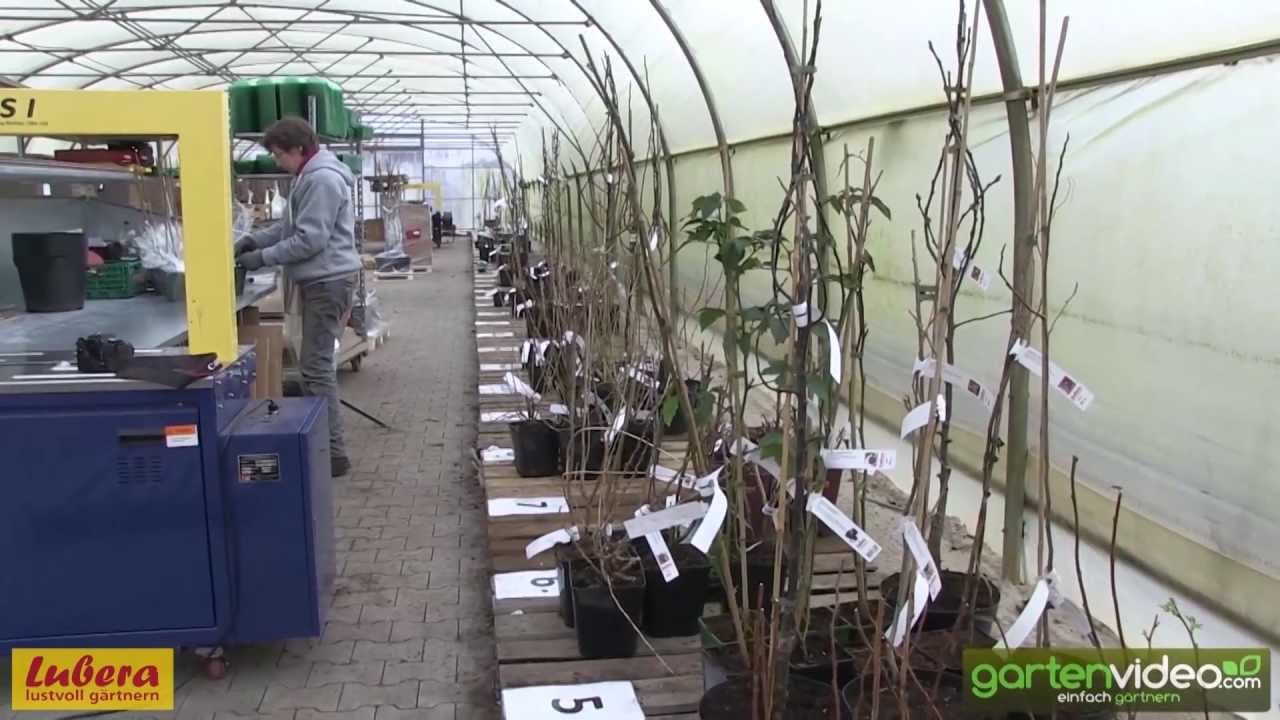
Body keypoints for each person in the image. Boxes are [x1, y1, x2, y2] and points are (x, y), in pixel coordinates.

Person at [235, 117, 361, 478]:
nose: (276, 161)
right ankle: (325, 447)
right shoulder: (308, 176)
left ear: (297, 149)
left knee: (317, 368)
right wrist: (254, 240)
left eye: (278, 154)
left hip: (328, 282)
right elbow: (292, 228)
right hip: (321, 281)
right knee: (314, 367)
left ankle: (332, 455)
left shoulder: (321, 180)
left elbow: (310, 240)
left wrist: (260, 258)